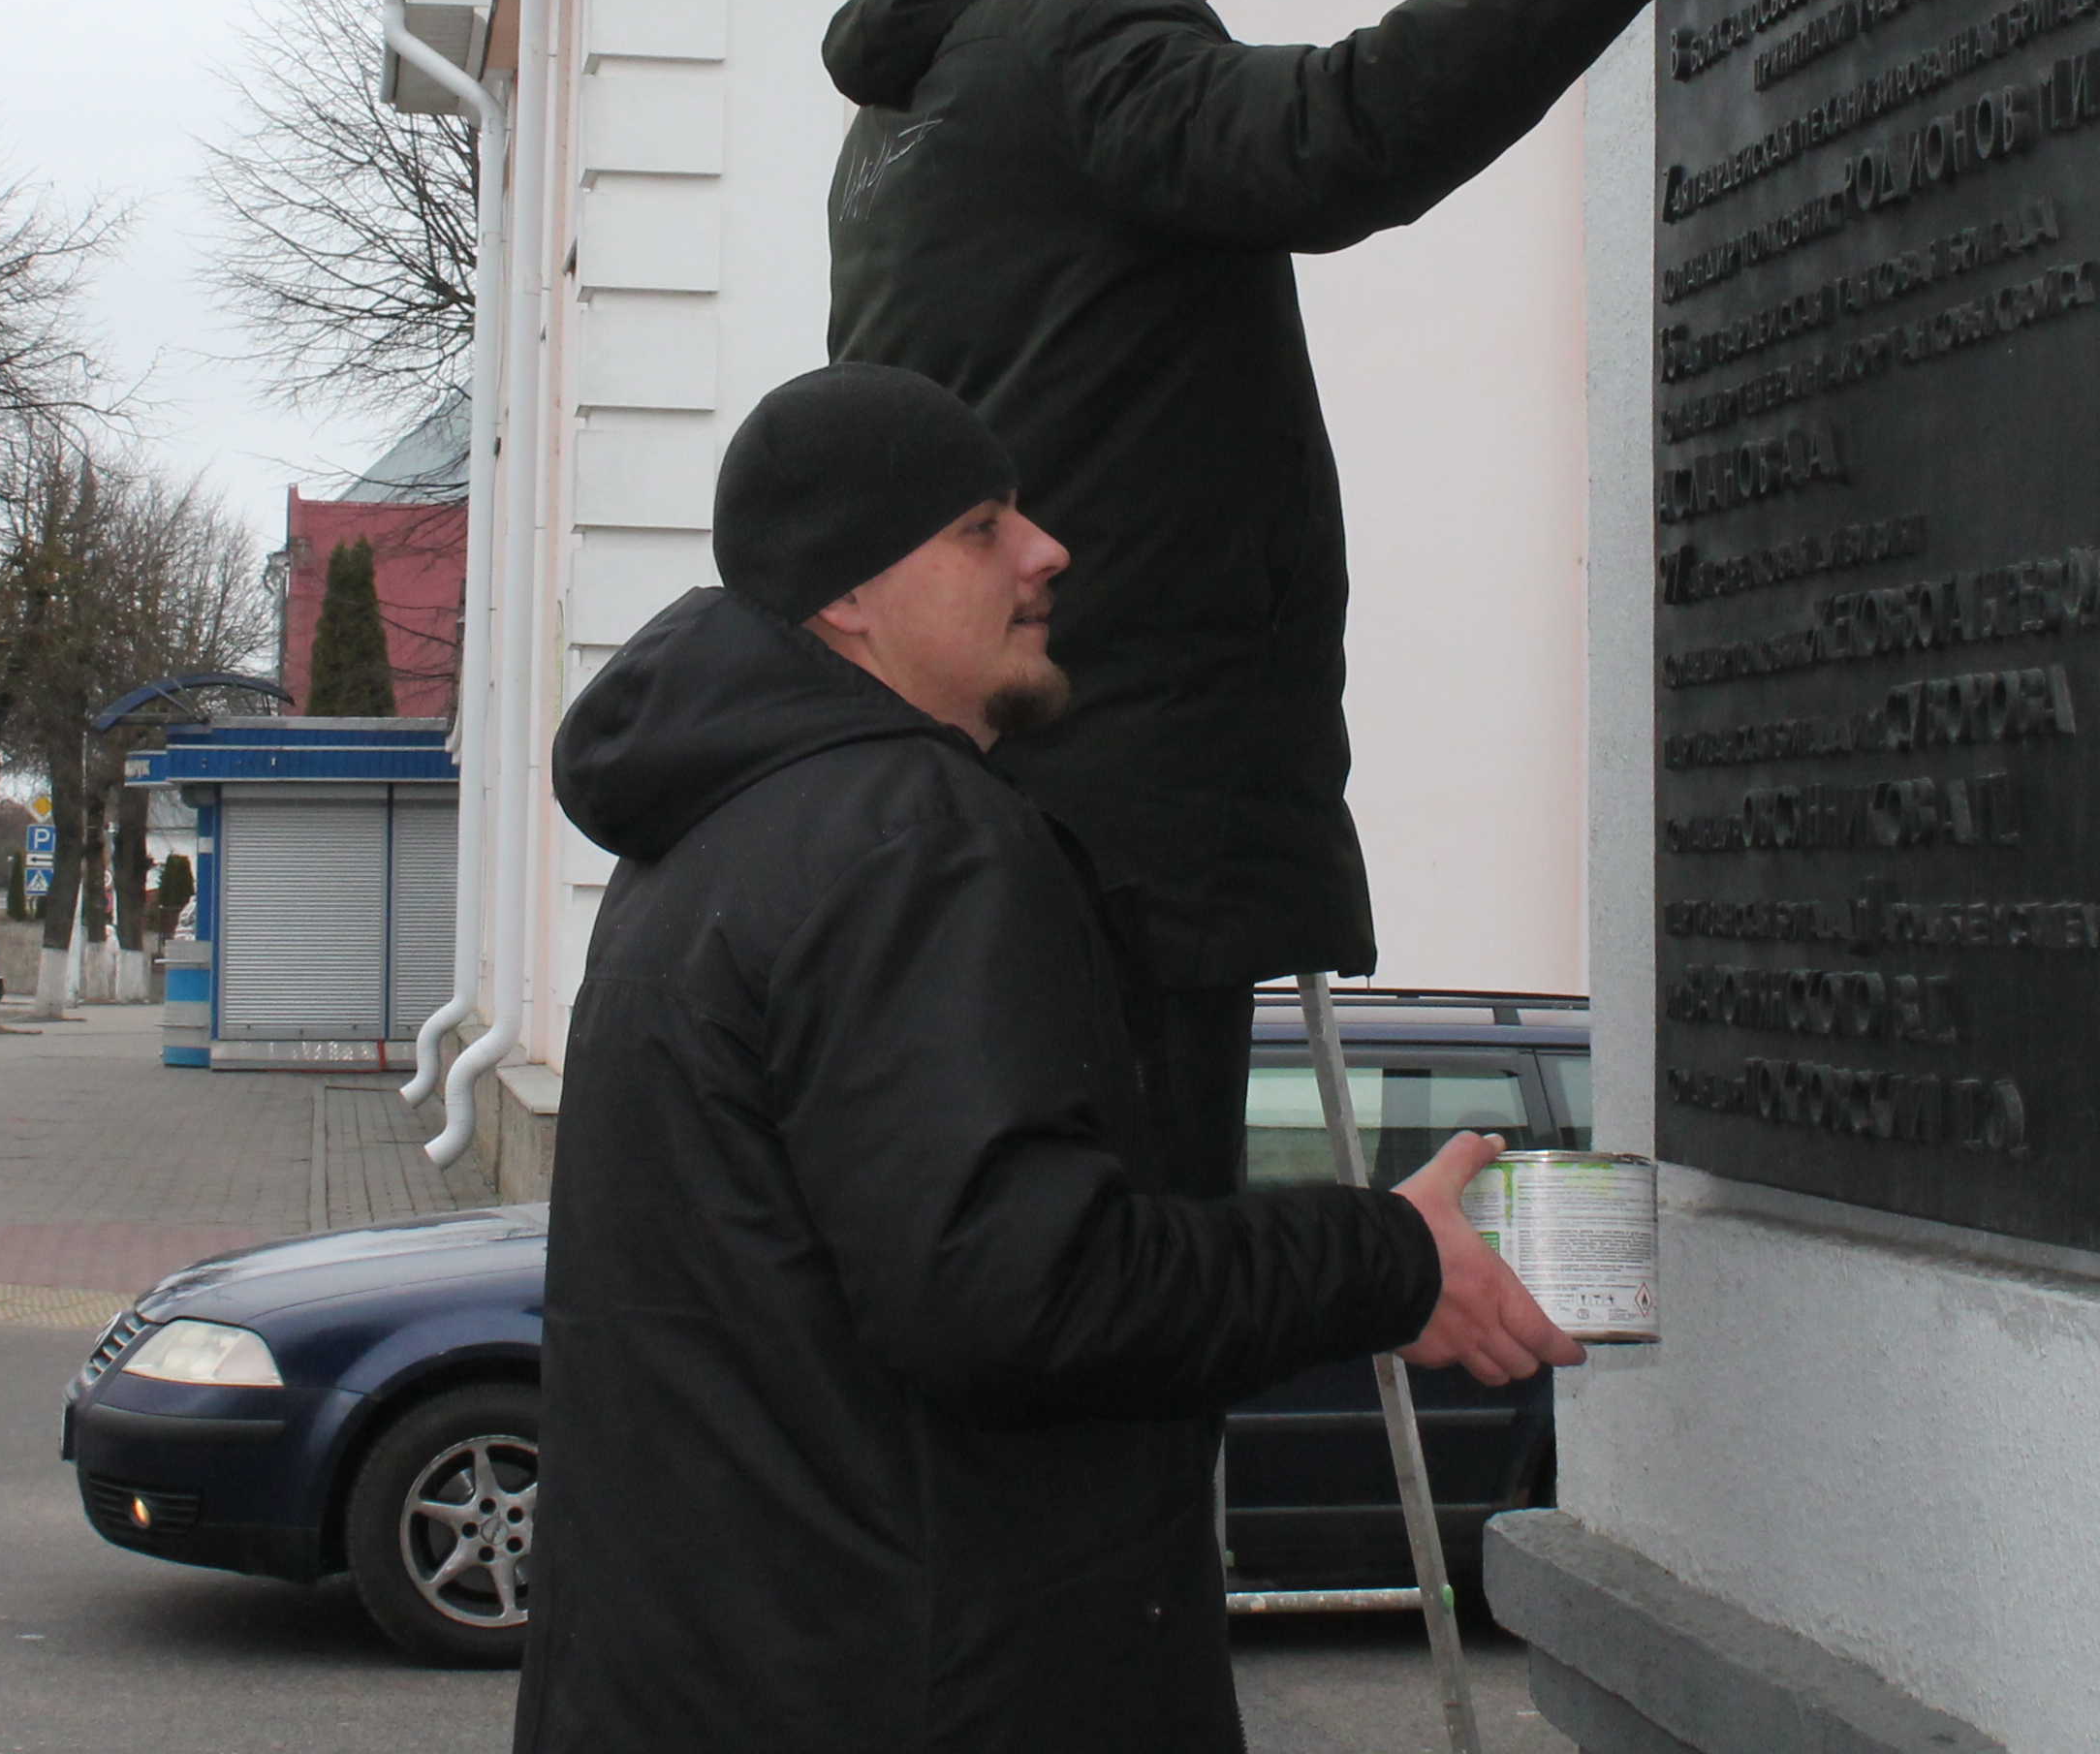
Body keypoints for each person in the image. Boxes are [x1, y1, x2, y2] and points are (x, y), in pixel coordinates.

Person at [520, 363, 1578, 1754]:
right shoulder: (913, 835)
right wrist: (1387, 1258)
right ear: (850, 594)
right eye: (980, 527)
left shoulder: (701, 849)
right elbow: (1022, 1296)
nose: (1045, 550)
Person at [823, 0, 1779, 1188]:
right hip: (1125, 805)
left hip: (1019, 795)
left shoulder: (919, 103)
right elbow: (1344, 132)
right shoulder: (1074, 32)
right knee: (1133, 1300)